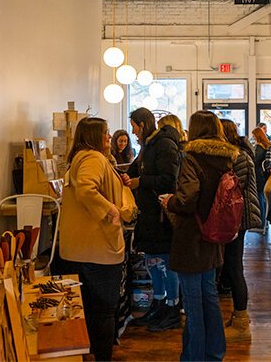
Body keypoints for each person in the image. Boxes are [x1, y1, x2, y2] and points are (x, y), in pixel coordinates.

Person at [160, 110, 237, 361]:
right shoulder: (227, 158)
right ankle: (214, 353)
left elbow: (188, 199)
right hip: (214, 236)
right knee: (209, 298)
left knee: (193, 304)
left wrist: (170, 201)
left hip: (191, 236)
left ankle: (194, 357)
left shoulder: (191, 158)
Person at [59, 117, 137, 361]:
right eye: (105, 133)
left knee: (89, 311)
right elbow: (86, 188)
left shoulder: (81, 159)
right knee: (103, 311)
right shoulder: (93, 158)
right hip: (97, 249)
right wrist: (110, 210)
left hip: (81, 248)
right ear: (94, 137)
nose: (109, 137)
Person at [127, 108, 182, 332]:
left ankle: (172, 309)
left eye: (134, 125)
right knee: (153, 262)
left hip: (161, 217)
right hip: (150, 215)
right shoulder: (148, 145)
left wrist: (141, 182)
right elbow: (136, 170)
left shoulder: (163, 144)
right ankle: (158, 304)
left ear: (142, 124)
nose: (132, 131)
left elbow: (169, 178)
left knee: (165, 263)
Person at [219, 119, 261, 342]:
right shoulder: (241, 152)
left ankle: (241, 321)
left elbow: (235, 190)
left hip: (237, 218)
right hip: (237, 217)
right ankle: (237, 317)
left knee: (234, 267)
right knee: (233, 265)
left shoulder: (238, 156)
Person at [250, 127, 271, 227]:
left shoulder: (259, 148)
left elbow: (255, 161)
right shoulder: (265, 146)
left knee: (259, 197)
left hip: (258, 175)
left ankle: (261, 222)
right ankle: (263, 222)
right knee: (261, 197)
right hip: (262, 175)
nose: (253, 137)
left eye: (254, 135)